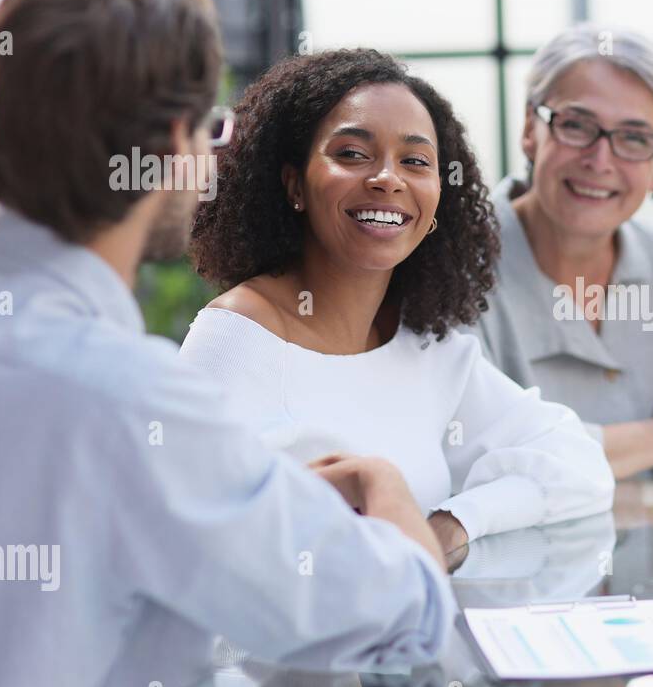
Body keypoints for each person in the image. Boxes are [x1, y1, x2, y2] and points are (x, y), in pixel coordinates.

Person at [0, 0, 460, 687]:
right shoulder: (126, 400)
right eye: (211, 126)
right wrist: (385, 486)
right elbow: (403, 611)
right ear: (171, 142)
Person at [180, 49, 614, 560]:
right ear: (294, 183)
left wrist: (450, 525)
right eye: (352, 154)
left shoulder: (424, 345)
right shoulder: (236, 337)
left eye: (415, 161)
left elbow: (578, 464)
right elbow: (202, 545)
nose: (389, 178)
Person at [469, 23, 653, 479]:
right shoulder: (459, 265)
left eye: (635, 138)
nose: (599, 161)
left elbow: (628, 423)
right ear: (531, 128)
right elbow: (512, 457)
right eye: (577, 126)